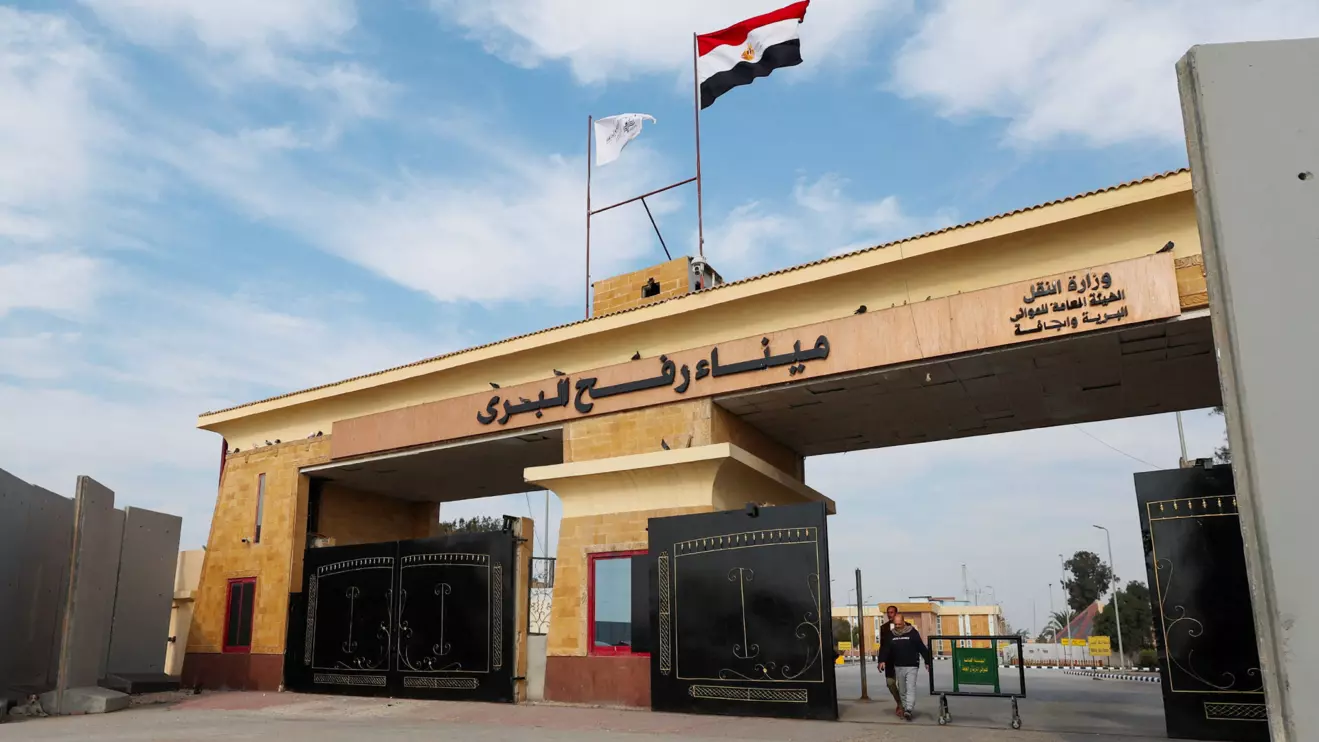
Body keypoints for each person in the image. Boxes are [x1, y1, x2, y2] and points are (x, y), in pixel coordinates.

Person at [878, 612, 932, 721]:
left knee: (910, 688)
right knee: (902, 690)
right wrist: (882, 660)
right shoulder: (891, 635)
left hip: (912, 665)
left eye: (899, 624)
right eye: (896, 624)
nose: (897, 626)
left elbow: (921, 647)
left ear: (903, 622)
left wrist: (927, 661)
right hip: (898, 666)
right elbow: (885, 649)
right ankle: (903, 707)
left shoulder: (912, 633)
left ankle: (909, 710)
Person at [877, 605, 902, 717]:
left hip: (902, 660)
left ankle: (902, 707)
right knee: (890, 683)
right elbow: (882, 645)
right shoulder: (884, 628)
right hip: (889, 661)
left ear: (896, 613)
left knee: (903, 685)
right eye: (888, 612)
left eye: (892, 612)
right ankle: (899, 702)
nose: (889, 614)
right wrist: (881, 660)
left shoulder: (907, 626)